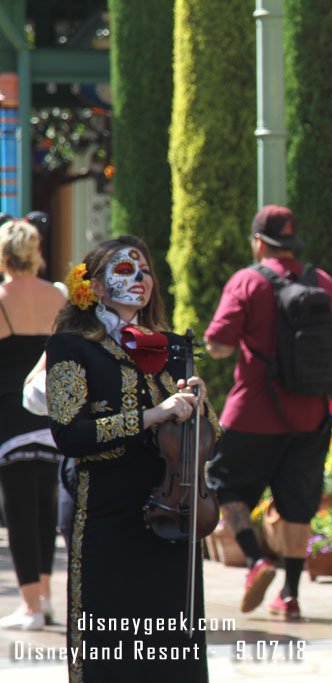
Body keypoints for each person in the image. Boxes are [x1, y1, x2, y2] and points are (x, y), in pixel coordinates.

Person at [46, 235, 217, 681]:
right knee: (109, 642)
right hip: (107, 509)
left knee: (172, 645)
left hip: (172, 508)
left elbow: (210, 438)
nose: (139, 280)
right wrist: (151, 416)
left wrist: (201, 405)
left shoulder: (174, 346)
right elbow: (69, 435)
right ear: (96, 287)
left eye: (144, 272)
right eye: (125, 271)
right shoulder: (69, 347)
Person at [204, 204, 332, 621]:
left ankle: (256, 560)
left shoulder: (247, 281)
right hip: (311, 414)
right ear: (292, 241)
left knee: (223, 485)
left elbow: (218, 344)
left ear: (258, 242)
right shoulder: (322, 282)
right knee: (298, 505)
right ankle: (290, 594)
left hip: (253, 413)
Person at [0, 219, 66, 631]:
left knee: (19, 510)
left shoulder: (1, 297)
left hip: (10, 416)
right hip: (52, 413)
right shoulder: (58, 296)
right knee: (45, 510)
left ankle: (30, 607)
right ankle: (45, 596)